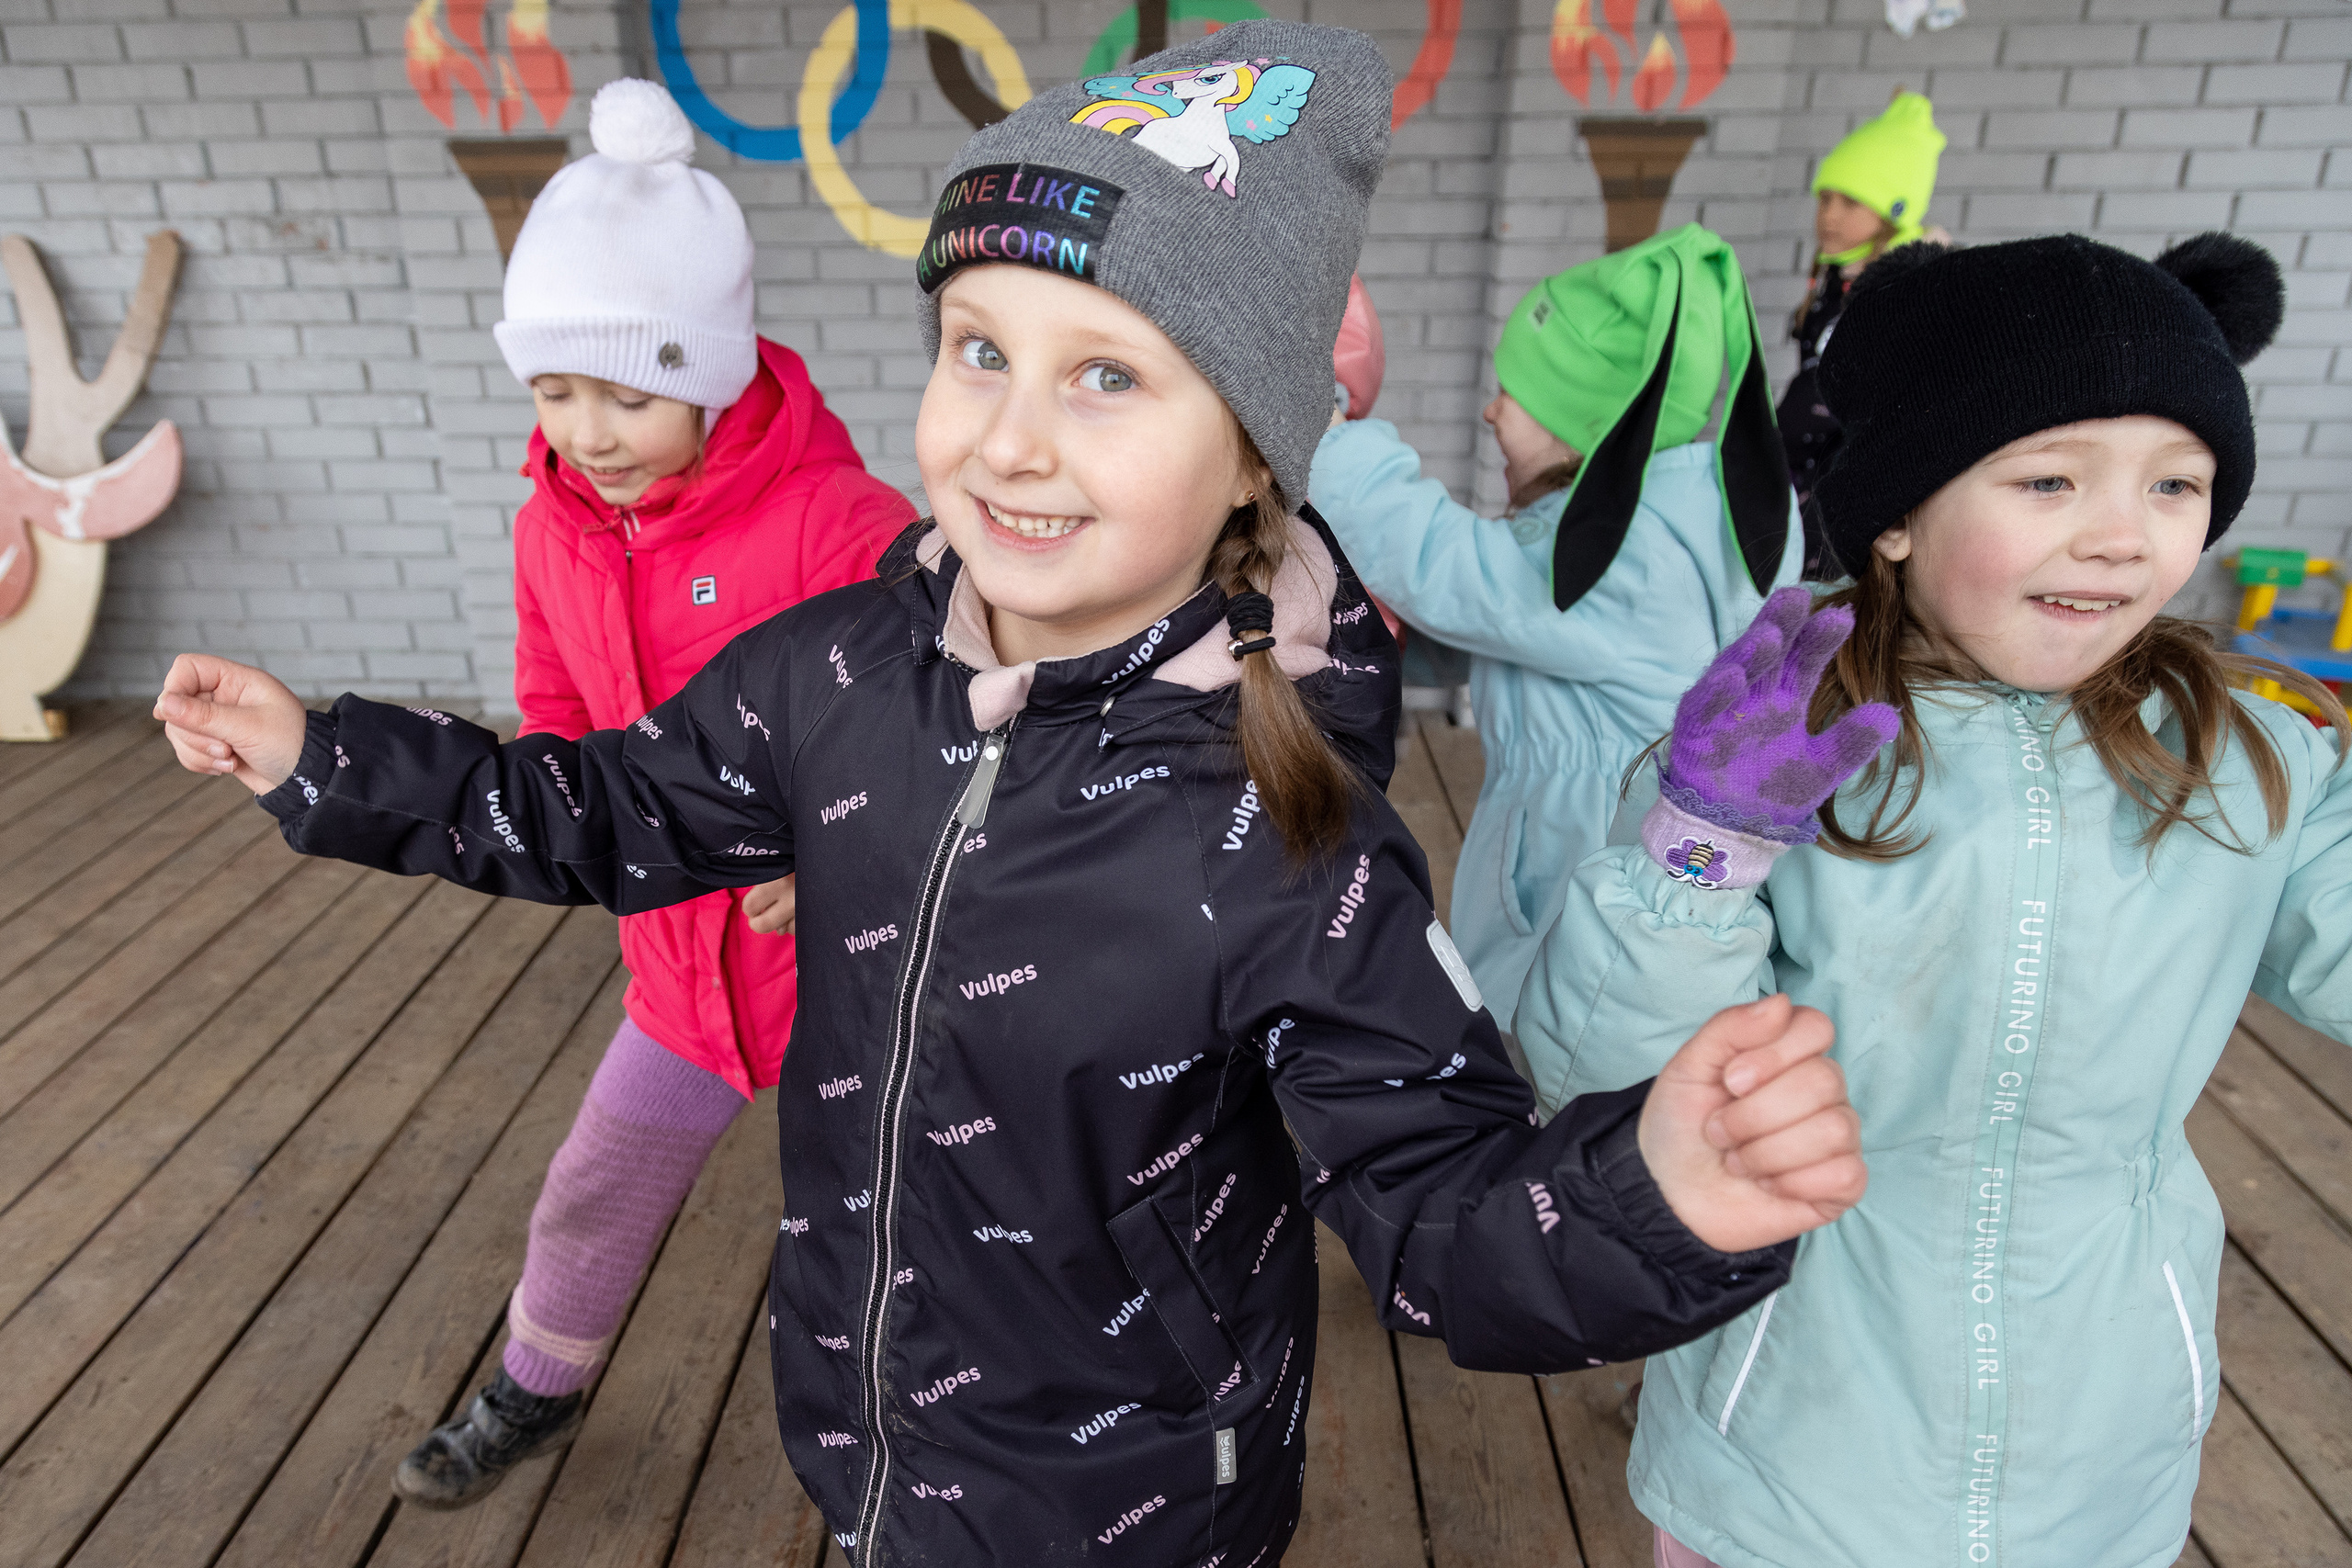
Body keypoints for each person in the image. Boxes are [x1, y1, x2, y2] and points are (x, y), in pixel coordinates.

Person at [151, 25, 1866, 1566]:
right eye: (979, 349)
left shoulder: (1293, 838)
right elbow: (609, 807)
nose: (1013, 440)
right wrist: (332, 758)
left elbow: (1435, 1205)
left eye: (1107, 375)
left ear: (1257, 450)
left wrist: (1655, 1194)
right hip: (871, 1443)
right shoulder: (832, 671)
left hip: (1134, 1513)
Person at [1518, 231, 2333, 1568]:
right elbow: (1616, 1079)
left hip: (2101, 1453)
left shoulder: (2251, 754)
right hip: (1788, 1444)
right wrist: (1698, 852)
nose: (2122, 533)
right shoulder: (1774, 740)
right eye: (2050, 476)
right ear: (1898, 508)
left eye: (2176, 483)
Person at [391, 79, 916, 1506]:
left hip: (850, 972)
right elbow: (560, 727)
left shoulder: (841, 523)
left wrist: (835, 850)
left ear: (718, 370)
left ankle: (930, 1442)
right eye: (556, 392)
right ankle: (536, 1384)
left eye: (629, 391)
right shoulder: (549, 532)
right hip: (679, 972)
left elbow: (929, 724)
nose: (590, 429)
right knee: (592, 1185)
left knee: (900, 1223)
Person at [1309, 224, 1802, 1030]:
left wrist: (1329, 429)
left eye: (1521, 394)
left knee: (1545, 1041)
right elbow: (1496, 620)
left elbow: (1441, 561)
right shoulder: (1700, 522)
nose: (1492, 409)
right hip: (1650, 865)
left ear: (1589, 427)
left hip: (1580, 870)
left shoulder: (1623, 562)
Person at [1778, 88, 1946, 572]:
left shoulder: (1908, 291)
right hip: (1800, 481)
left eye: (1851, 202)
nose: (1829, 215)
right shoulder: (1835, 276)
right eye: (1824, 198)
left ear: (1893, 209)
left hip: (1845, 502)